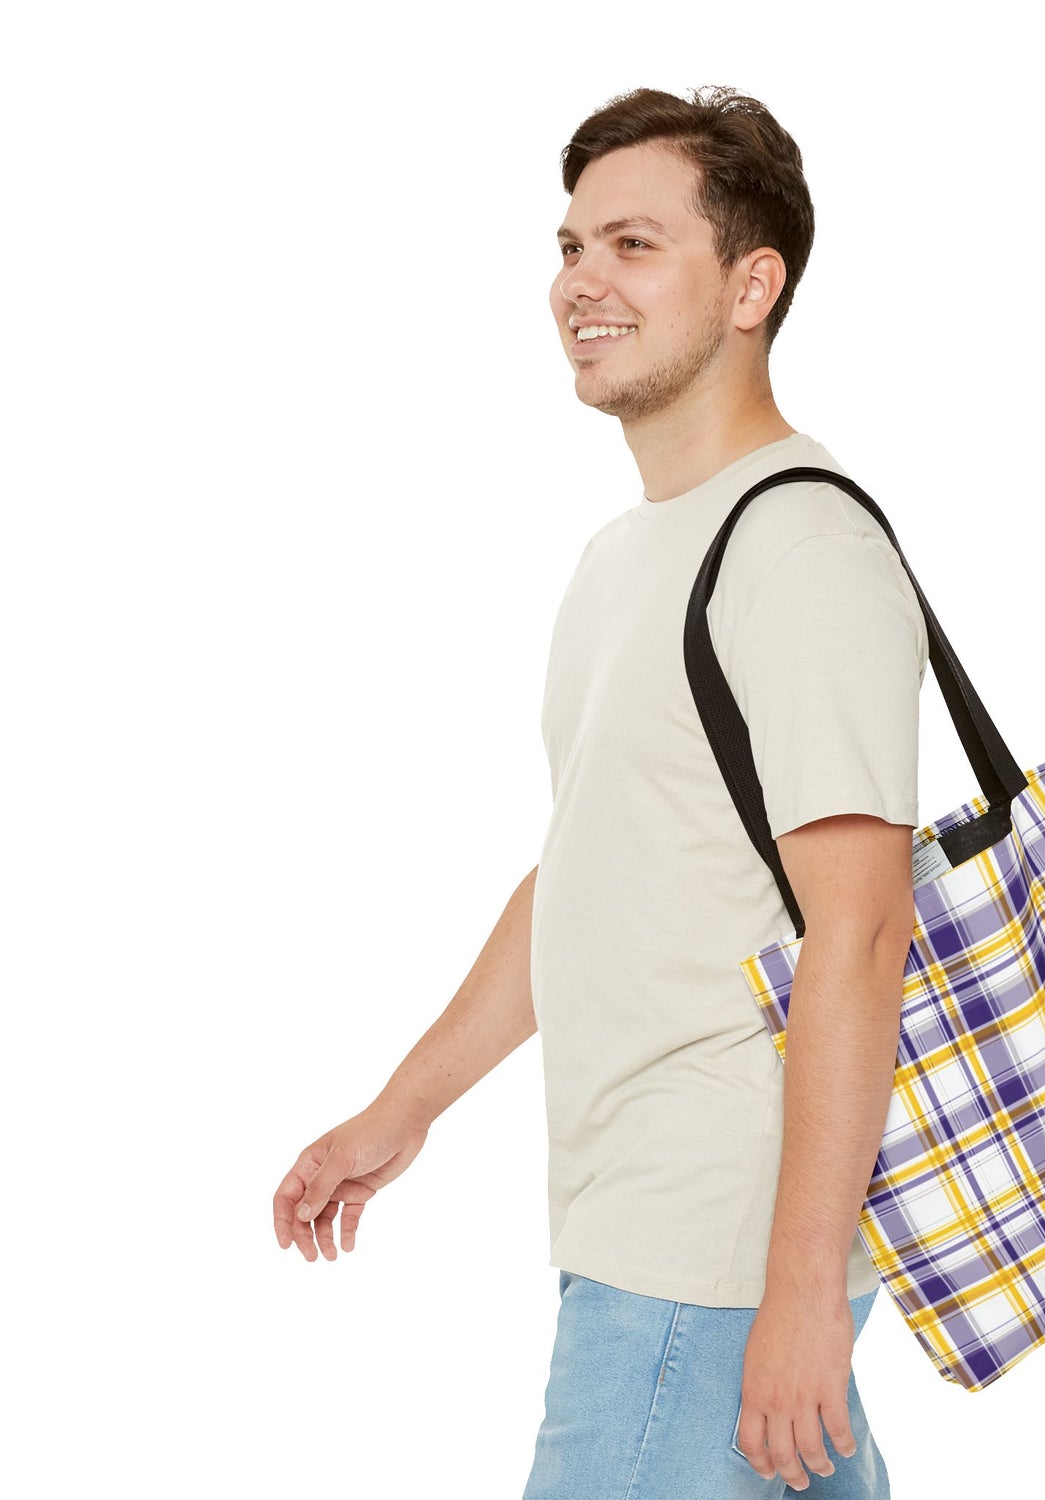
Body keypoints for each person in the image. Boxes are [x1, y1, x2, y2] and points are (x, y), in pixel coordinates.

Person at [271, 84, 928, 1497]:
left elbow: (861, 931)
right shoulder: (624, 561)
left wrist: (801, 1297)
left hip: (704, 1263)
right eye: (571, 247)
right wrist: (404, 1110)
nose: (580, 282)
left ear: (754, 284)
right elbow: (586, 876)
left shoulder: (797, 545)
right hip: (651, 1241)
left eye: (633, 245)